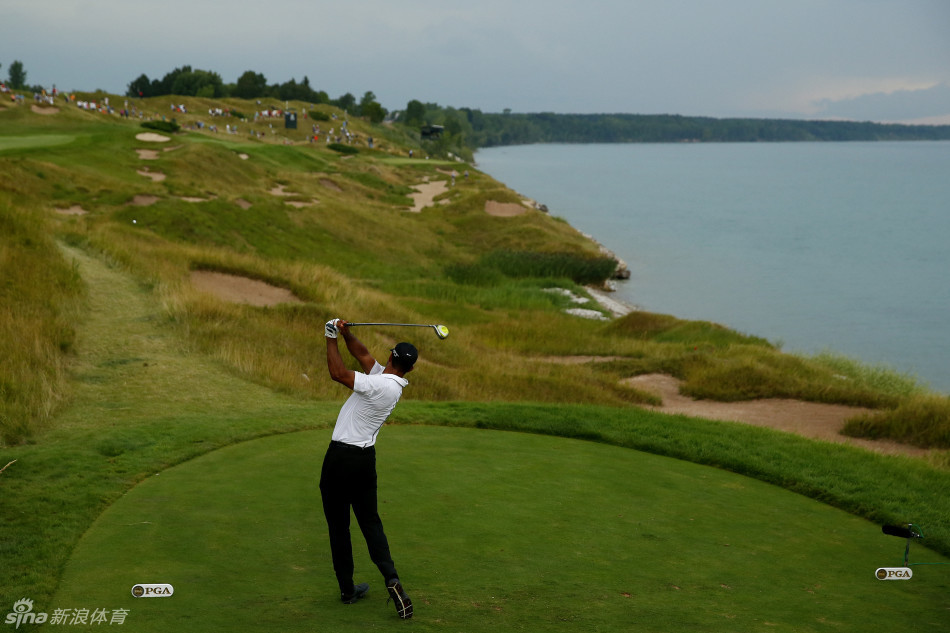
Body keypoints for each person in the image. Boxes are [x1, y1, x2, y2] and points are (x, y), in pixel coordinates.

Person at [320, 318, 415, 619]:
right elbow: (362, 355)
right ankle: (392, 580)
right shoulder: (390, 382)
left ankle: (347, 590)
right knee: (371, 524)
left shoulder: (377, 384)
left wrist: (330, 336)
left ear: (390, 357)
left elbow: (338, 373)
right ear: (408, 368)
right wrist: (347, 333)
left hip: (339, 459)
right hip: (364, 461)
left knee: (339, 527)